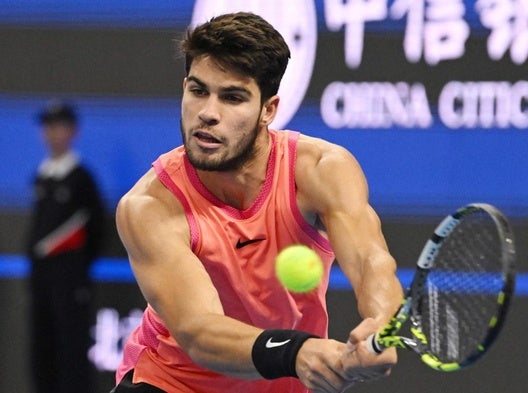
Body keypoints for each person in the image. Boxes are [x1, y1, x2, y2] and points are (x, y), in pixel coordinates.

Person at [112, 12, 403, 393]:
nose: (208, 113)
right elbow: (198, 331)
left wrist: (381, 324)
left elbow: (371, 261)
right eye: (198, 91)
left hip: (282, 383)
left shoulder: (320, 169)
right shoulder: (148, 205)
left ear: (269, 109)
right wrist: (296, 352)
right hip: (173, 382)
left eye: (232, 97)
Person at [26, 100, 104, 393]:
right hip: (41, 280)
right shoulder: (42, 175)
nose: (51, 133)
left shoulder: (82, 179)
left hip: (70, 281)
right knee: (42, 348)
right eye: (47, 127)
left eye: (59, 126)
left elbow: (95, 231)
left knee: (70, 348)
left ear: (72, 131)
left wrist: (75, 268)